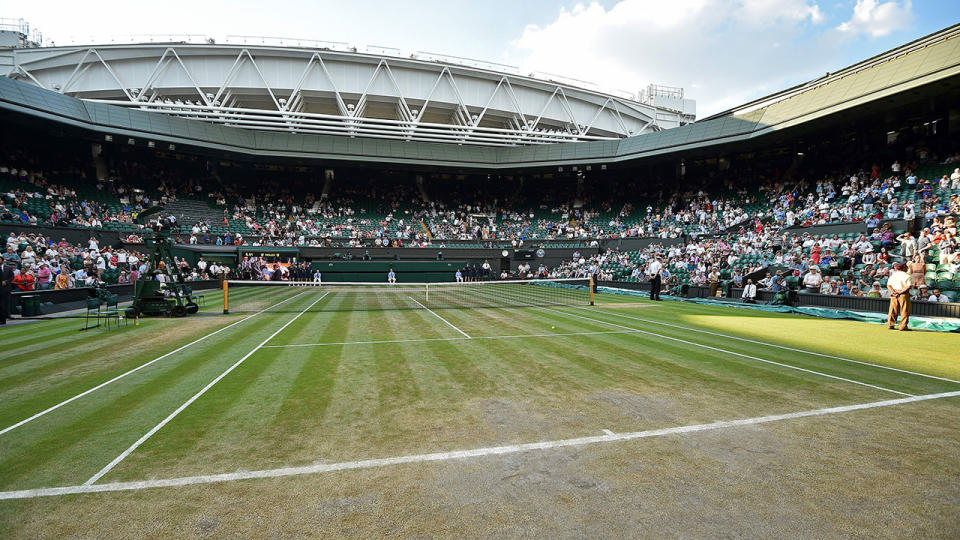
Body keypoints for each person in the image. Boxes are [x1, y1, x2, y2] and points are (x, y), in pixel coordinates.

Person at [886, 262, 912, 331]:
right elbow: (908, 286)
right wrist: (899, 292)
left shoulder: (893, 275)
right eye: (906, 267)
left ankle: (890, 325)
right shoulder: (907, 276)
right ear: (904, 268)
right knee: (904, 310)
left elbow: (889, 285)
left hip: (894, 294)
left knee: (892, 310)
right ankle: (903, 326)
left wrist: (893, 292)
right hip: (903, 294)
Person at [0, 259, 14, 324]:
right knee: (1, 304)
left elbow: (12, 277)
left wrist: (6, 281)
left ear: (2, 261)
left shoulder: (8, 268)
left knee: (7, 302)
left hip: (7, 288)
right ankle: (2, 318)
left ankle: (8, 315)